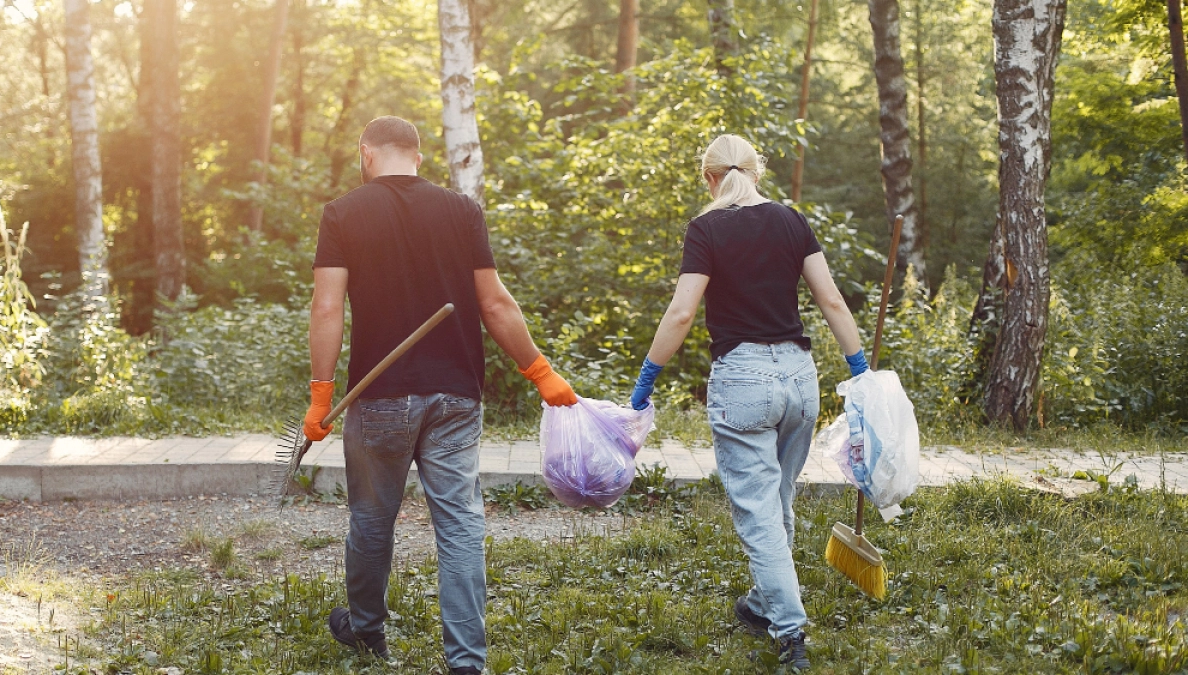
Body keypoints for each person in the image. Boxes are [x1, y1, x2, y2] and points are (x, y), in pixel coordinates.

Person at [306, 115, 577, 675]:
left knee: (372, 520)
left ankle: (366, 632)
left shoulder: (343, 213)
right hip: (456, 395)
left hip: (379, 397)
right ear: (419, 158)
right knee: (459, 524)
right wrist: (540, 371)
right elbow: (496, 304)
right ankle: (466, 663)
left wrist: (321, 394)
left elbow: (327, 308)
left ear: (366, 154)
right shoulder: (461, 210)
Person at [628, 134, 868, 670]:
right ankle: (762, 602)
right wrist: (860, 370)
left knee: (760, 512)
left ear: (709, 177)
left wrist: (646, 380)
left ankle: (791, 633)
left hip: (744, 381)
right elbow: (830, 299)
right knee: (777, 498)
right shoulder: (791, 220)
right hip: (800, 379)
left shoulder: (706, 228)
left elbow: (682, 314)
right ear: (757, 173)